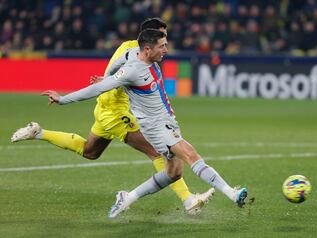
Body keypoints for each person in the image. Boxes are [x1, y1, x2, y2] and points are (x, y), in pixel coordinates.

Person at [10, 18, 214, 215]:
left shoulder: (128, 47)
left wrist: (108, 78)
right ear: (150, 37)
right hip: (116, 112)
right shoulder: (136, 54)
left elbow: (114, 71)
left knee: (89, 151)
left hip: (105, 109)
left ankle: (39, 132)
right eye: (162, 37)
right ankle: (189, 200)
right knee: (157, 151)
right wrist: (65, 99)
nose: (165, 43)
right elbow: (119, 77)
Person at [40, 29, 249, 218]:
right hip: (156, 128)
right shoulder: (132, 70)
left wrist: (106, 77)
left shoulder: (138, 56)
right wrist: (64, 99)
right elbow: (97, 89)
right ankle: (233, 193)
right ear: (148, 49)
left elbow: (116, 65)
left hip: (168, 122)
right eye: (162, 45)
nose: (166, 49)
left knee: (173, 172)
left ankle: (127, 198)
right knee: (191, 155)